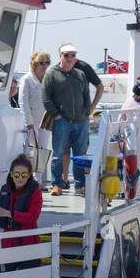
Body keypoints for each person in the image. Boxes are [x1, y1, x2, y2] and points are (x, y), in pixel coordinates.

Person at [42, 43, 103, 195]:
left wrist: (87, 113)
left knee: (80, 154)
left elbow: (85, 96)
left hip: (80, 121)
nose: (70, 58)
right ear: (60, 56)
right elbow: (45, 97)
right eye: (66, 55)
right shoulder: (51, 74)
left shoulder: (80, 75)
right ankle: (57, 184)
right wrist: (56, 114)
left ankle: (80, 185)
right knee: (58, 154)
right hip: (62, 121)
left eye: (73, 55)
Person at [0, 153, 43, 272]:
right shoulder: (5, 189)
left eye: (24, 175)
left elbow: (32, 217)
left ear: (29, 175)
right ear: (11, 174)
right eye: (17, 174)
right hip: (8, 246)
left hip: (29, 247)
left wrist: (8, 214)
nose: (20, 178)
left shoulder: (35, 192)